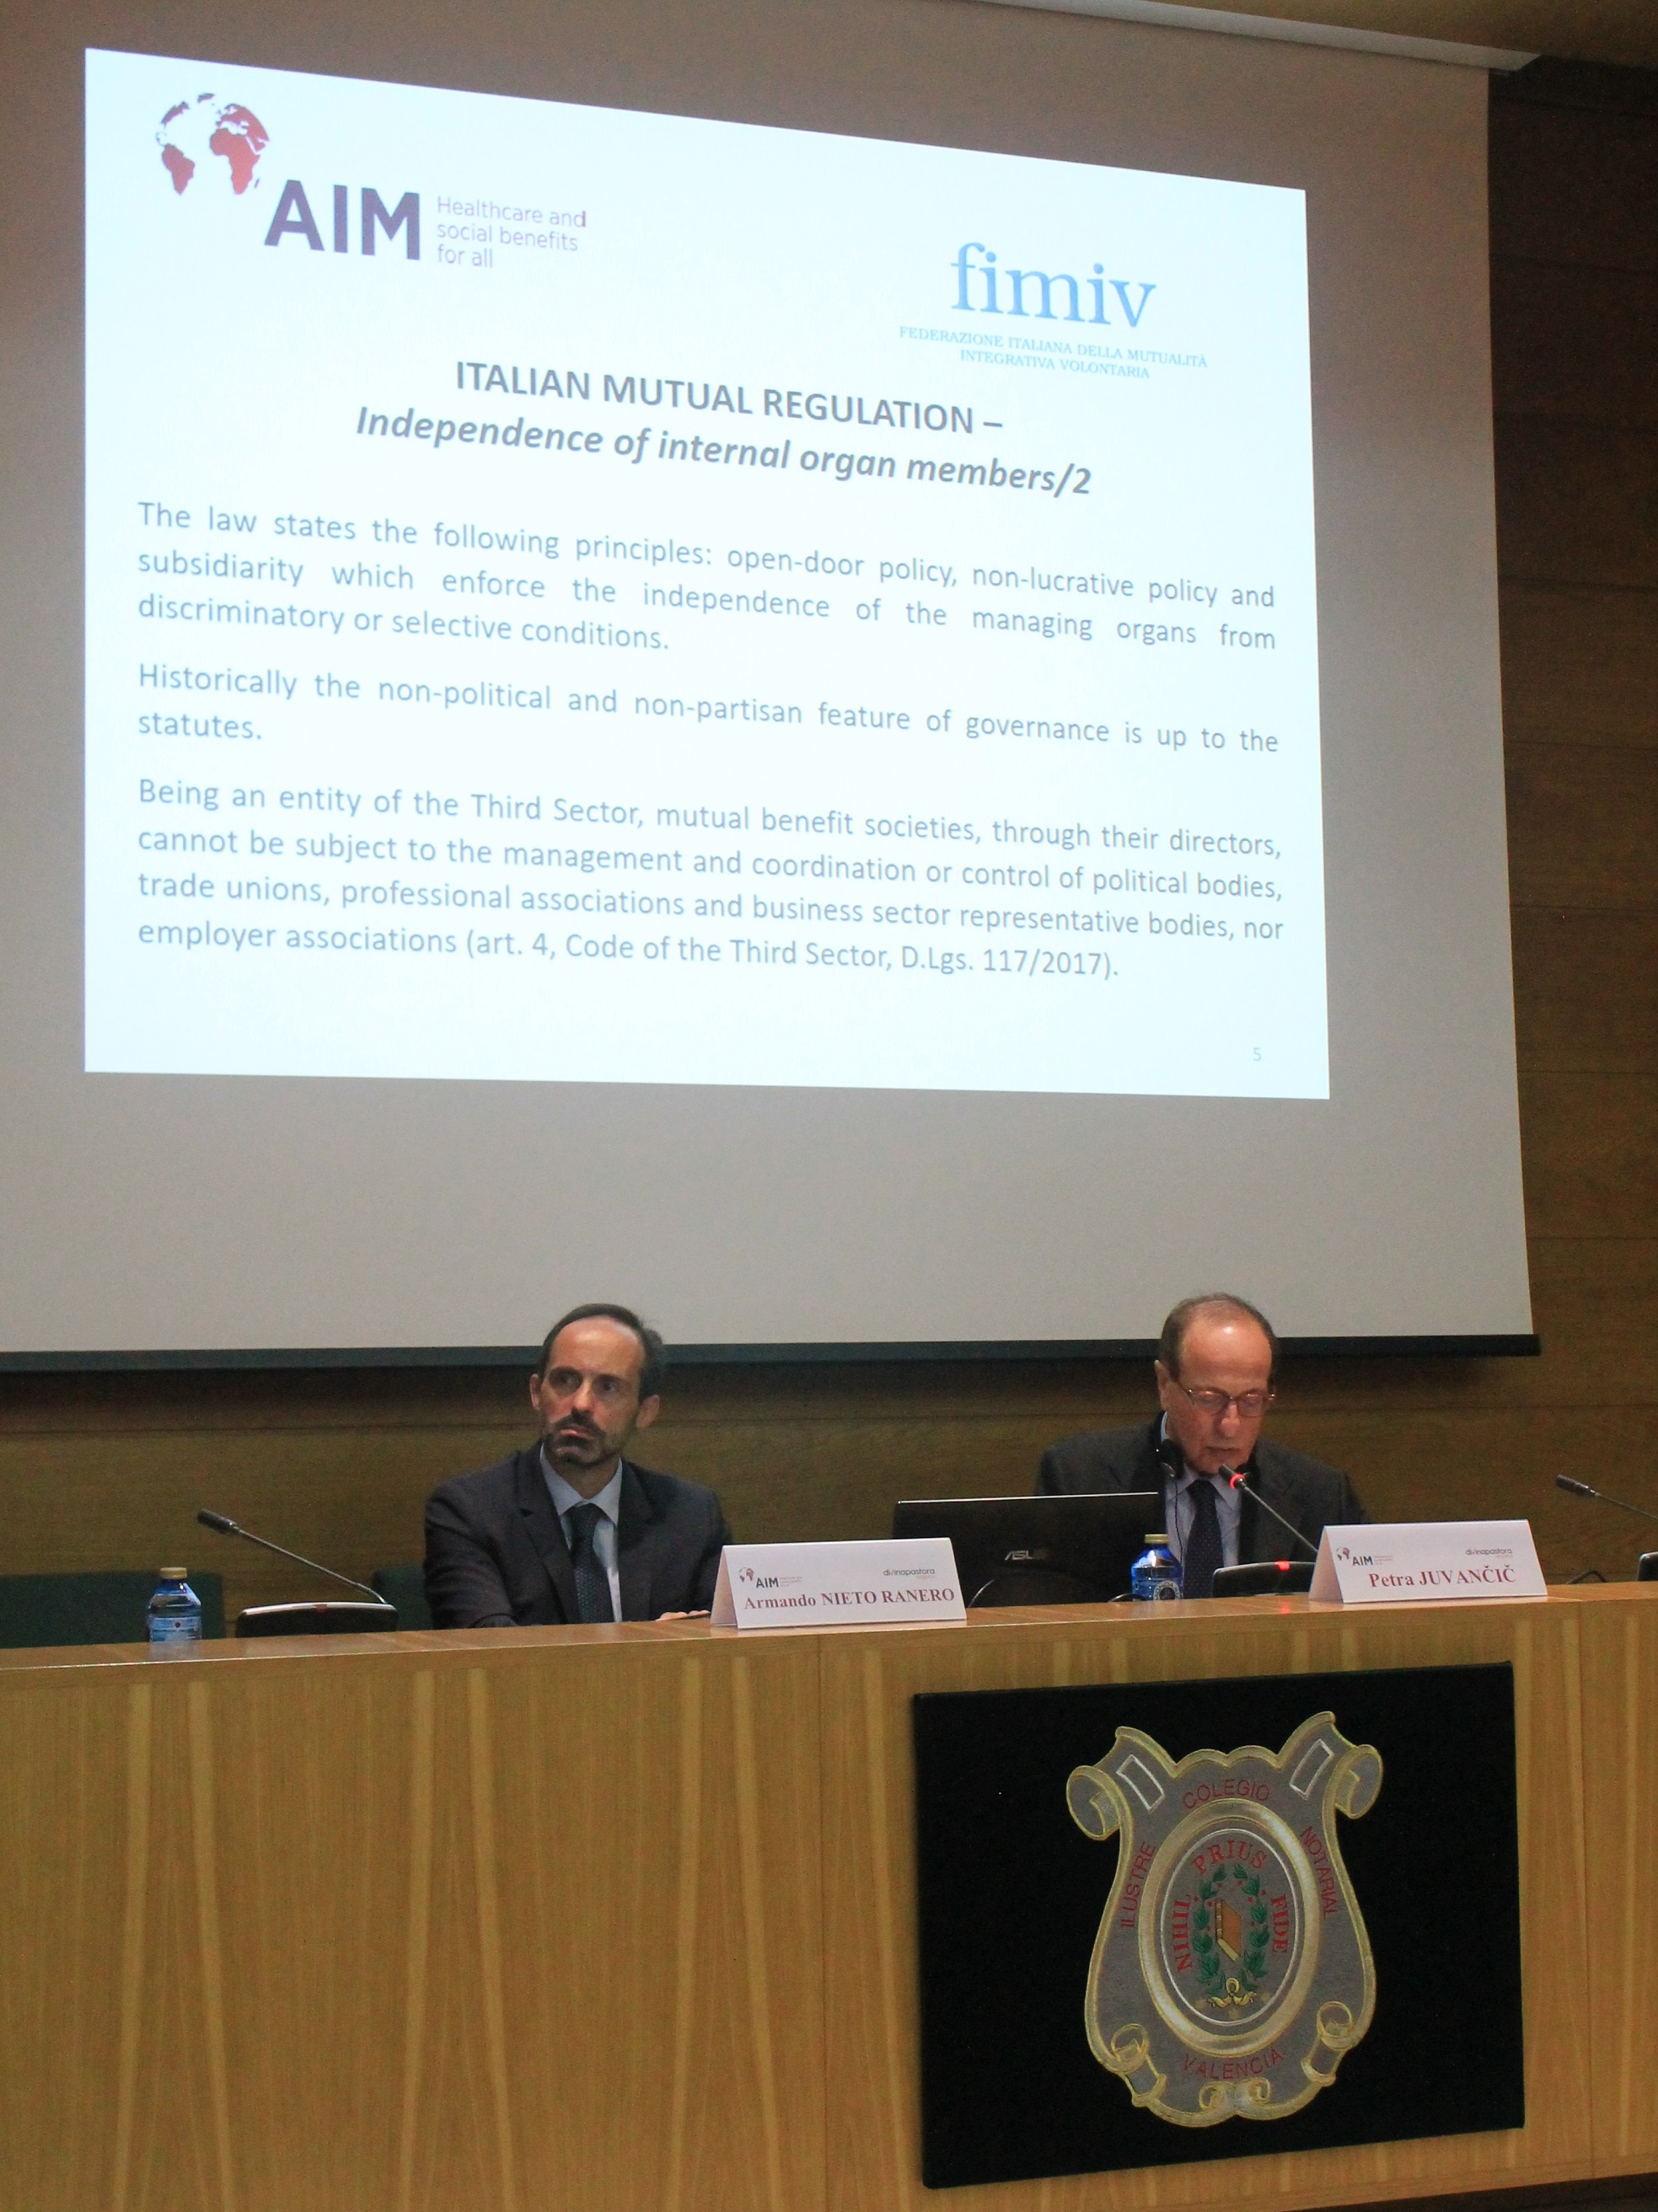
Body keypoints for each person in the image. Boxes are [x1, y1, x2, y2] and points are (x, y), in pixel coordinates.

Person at [1036, 1293, 1364, 1597]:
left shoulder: (1320, 1494)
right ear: (1164, 1385)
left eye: (1251, 1400)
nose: (1230, 1425)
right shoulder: (1078, 1479)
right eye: (1209, 1399)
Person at [424, 1303, 731, 1627]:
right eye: (565, 1380)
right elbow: (490, 1644)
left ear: (645, 1412)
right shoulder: (469, 1512)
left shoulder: (691, 1516)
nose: (581, 1404)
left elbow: (728, 1638)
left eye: (608, 1387)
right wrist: (653, 1643)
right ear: (536, 1393)